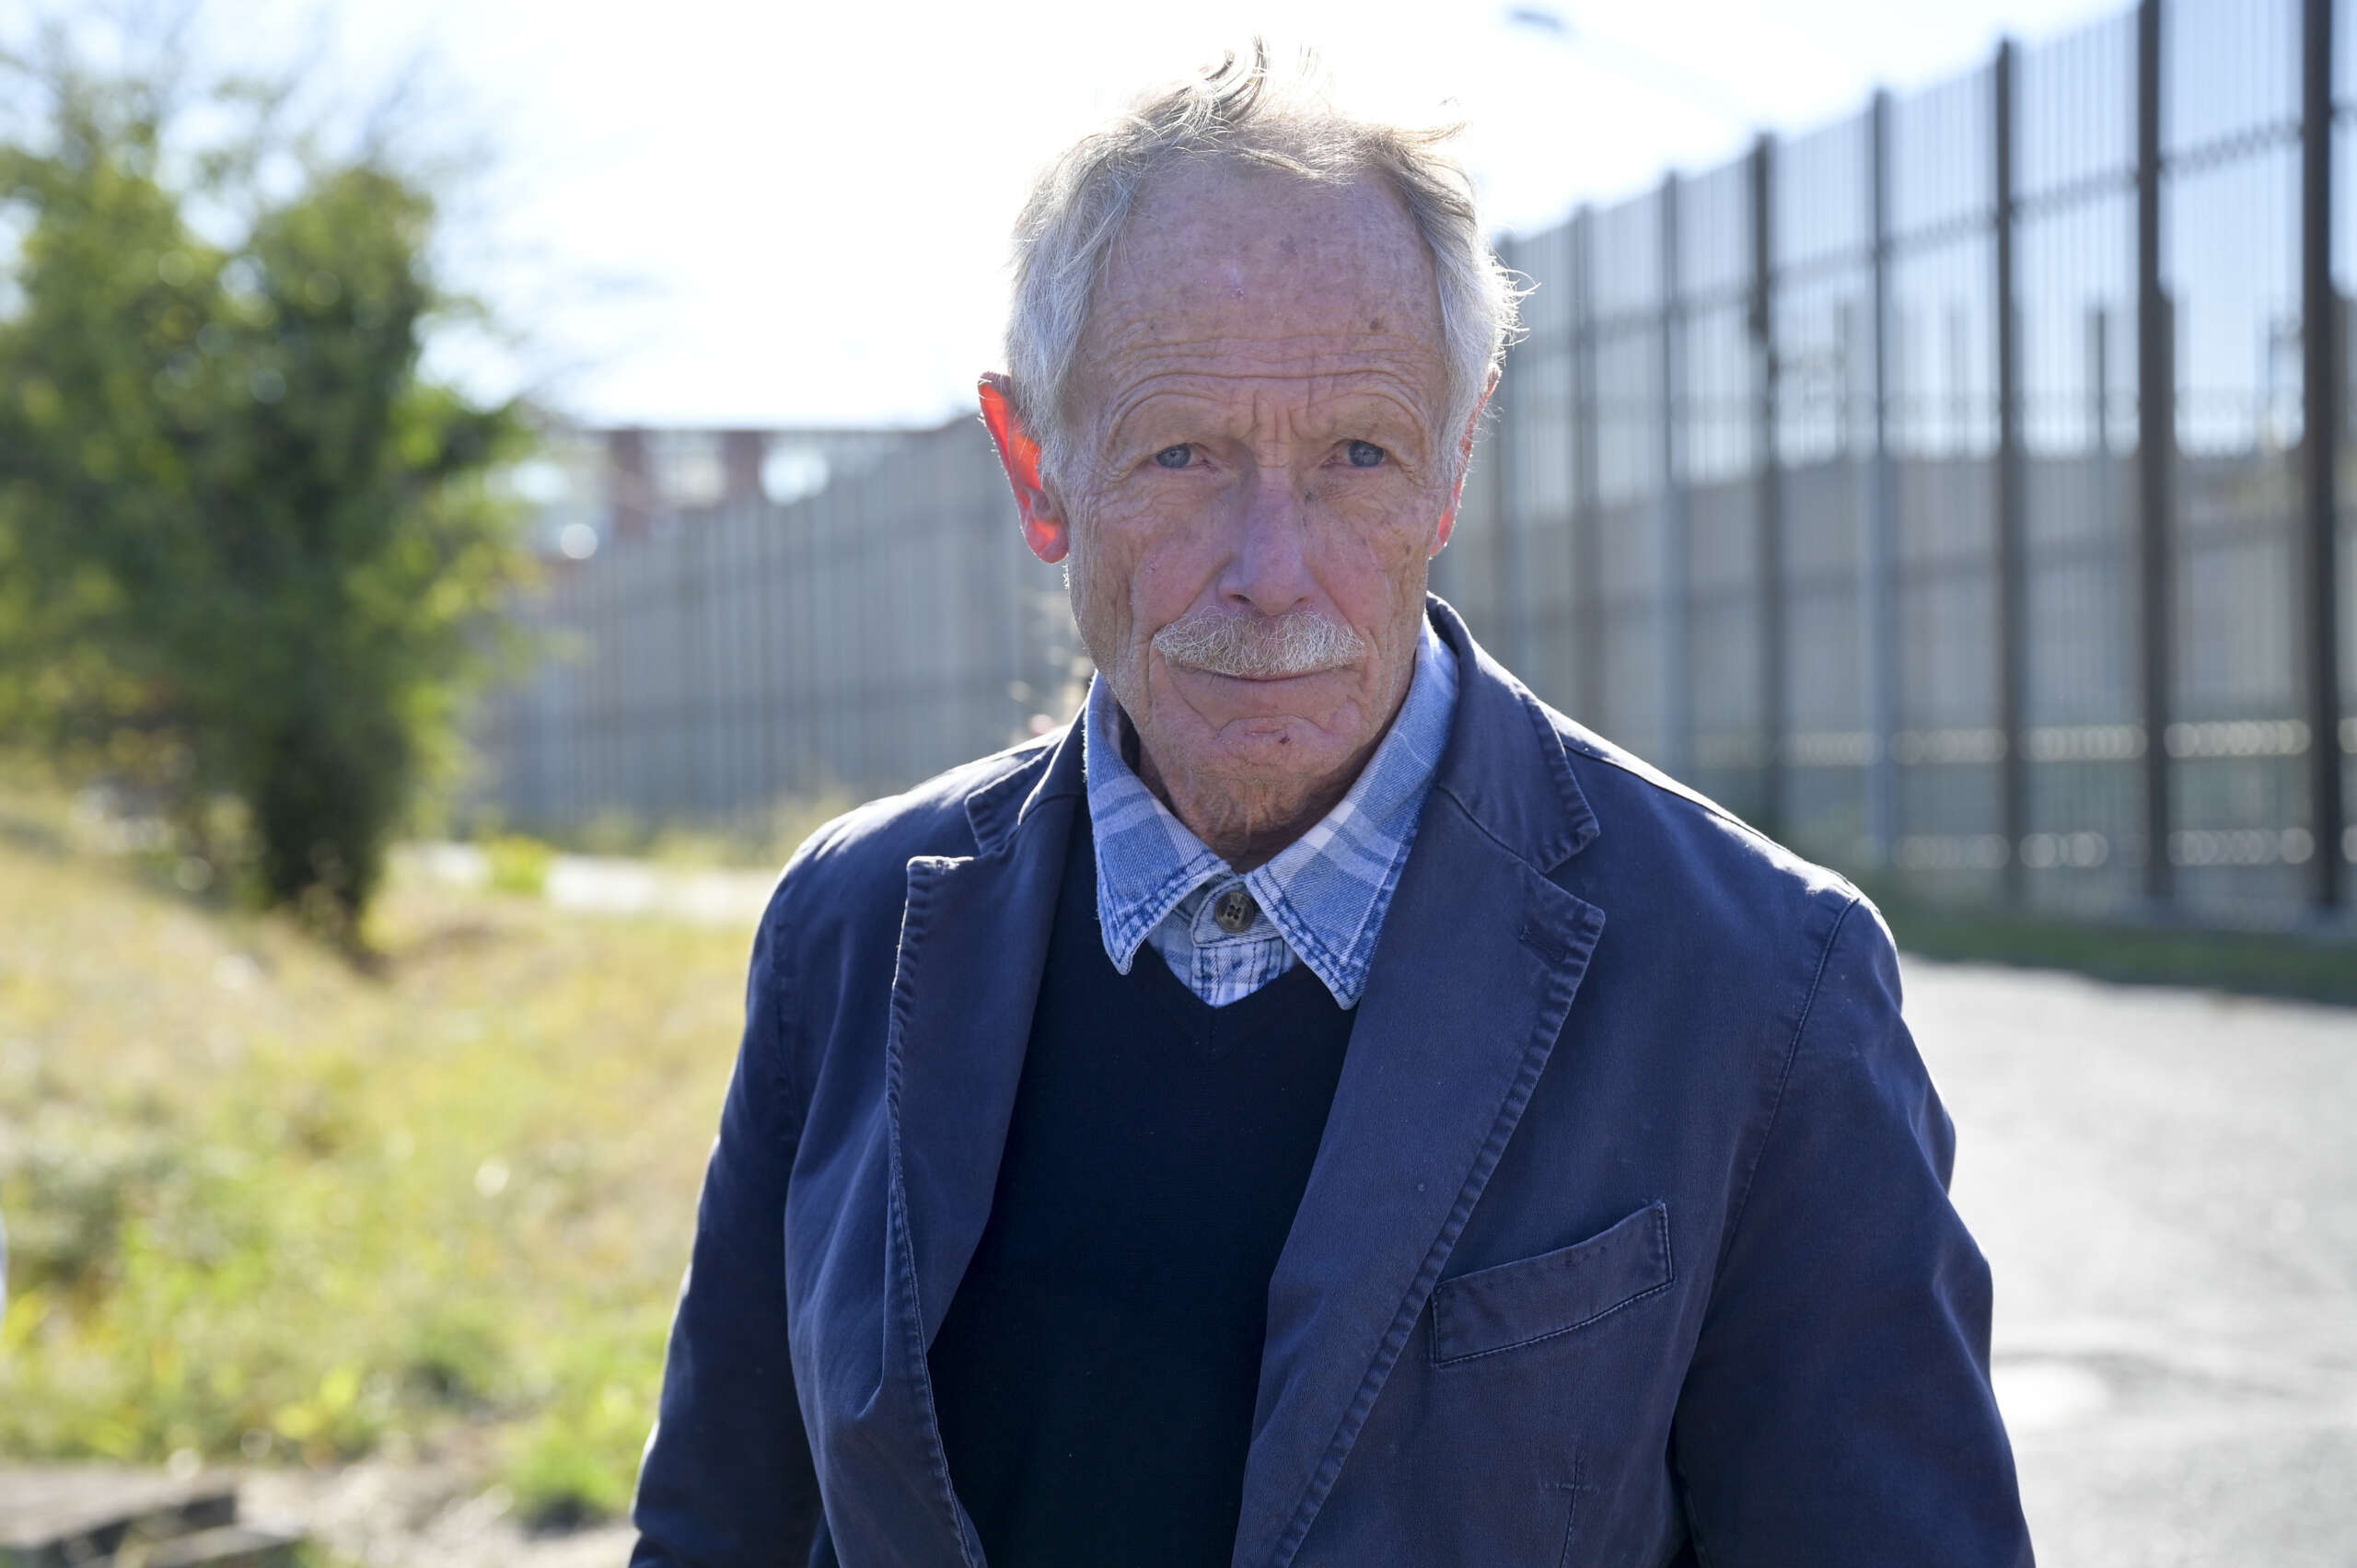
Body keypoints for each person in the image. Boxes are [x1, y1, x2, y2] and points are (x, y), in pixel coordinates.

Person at [628, 47, 2032, 1568]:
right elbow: (719, 1529)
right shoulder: (847, 930)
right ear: (1038, 469)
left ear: (1454, 462)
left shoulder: (1763, 985)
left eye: (1360, 454)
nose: (1274, 570)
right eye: (1183, 454)